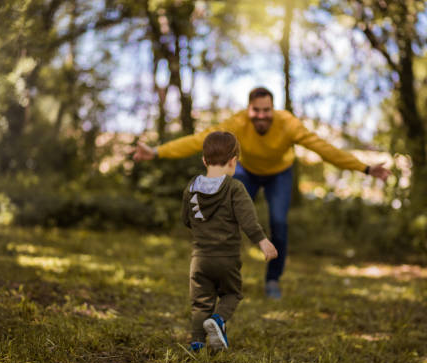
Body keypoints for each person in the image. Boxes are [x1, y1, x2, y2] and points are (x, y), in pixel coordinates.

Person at [134, 86, 390, 299]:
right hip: (248, 171)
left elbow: (324, 149)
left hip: (280, 173)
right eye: (256, 110)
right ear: (249, 110)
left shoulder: (288, 124)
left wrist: (365, 168)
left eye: (266, 110)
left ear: (273, 109)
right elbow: (199, 140)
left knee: (279, 222)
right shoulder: (237, 122)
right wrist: (156, 152)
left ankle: (273, 281)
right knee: (228, 211)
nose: (261, 116)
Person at [182, 131, 277, 352]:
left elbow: (186, 219)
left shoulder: (190, 188)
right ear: (234, 161)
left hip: (200, 259)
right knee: (232, 294)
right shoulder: (234, 188)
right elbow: (248, 220)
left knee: (200, 301)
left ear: (204, 160)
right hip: (227, 258)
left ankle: (196, 344)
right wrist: (263, 241)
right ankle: (218, 319)